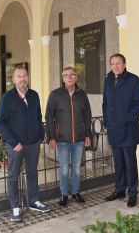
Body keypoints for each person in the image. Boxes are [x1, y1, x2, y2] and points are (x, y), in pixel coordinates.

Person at [0, 64, 50, 222]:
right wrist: (14, 142)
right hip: (16, 145)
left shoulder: (34, 95)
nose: (23, 79)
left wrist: (40, 136)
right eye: (19, 76)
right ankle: (14, 207)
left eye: (25, 75)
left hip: (34, 143)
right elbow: (1, 122)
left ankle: (33, 201)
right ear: (14, 80)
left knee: (32, 173)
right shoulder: (7, 98)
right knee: (13, 176)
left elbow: (38, 117)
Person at [102, 53, 139, 208]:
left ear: (124, 64)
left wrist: (127, 118)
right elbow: (105, 103)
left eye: (118, 63)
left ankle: (132, 193)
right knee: (119, 163)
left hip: (128, 130)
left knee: (130, 164)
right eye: (112, 63)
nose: (115, 66)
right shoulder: (108, 80)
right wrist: (106, 123)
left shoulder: (134, 80)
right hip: (113, 130)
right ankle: (119, 189)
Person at [45, 67, 92, 207]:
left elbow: (87, 116)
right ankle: (64, 194)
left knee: (77, 167)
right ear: (63, 78)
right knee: (64, 168)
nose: (70, 77)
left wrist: (87, 134)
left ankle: (76, 192)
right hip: (62, 139)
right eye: (66, 75)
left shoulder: (82, 94)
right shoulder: (55, 95)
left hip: (78, 139)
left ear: (76, 77)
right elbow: (49, 117)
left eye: (72, 75)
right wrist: (51, 137)